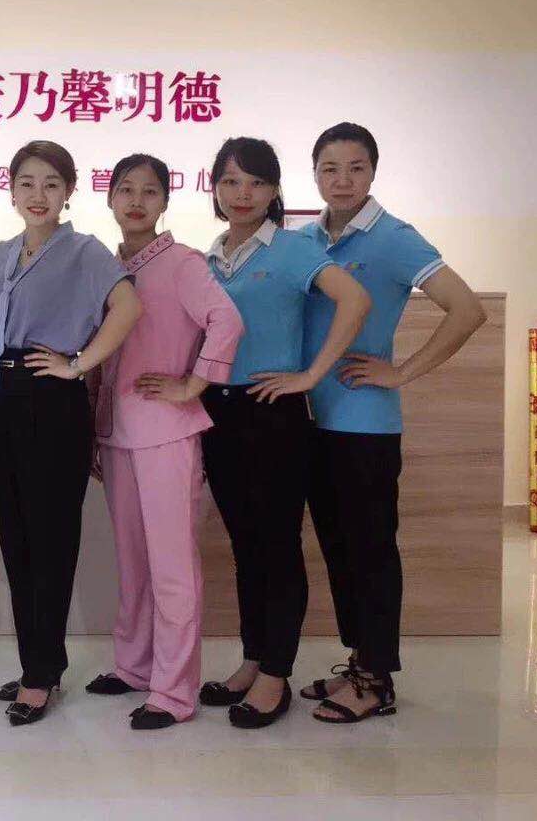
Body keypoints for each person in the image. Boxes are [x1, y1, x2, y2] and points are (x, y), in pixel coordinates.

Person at [298, 122, 486, 723]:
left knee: (371, 550)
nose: (342, 180)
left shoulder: (395, 238)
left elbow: (467, 310)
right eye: (330, 169)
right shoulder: (305, 238)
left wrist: (402, 371)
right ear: (315, 175)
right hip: (311, 420)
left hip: (365, 425)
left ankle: (377, 680)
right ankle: (360, 661)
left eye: (355, 167)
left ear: (373, 172)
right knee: (338, 548)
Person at [195, 137, 369, 729]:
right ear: (215, 188)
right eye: (230, 181)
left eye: (256, 182)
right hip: (218, 414)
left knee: (276, 545)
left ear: (273, 190)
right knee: (245, 546)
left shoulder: (293, 249)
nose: (243, 194)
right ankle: (253, 658)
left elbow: (355, 301)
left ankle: (277, 674)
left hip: (273, 415)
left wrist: (310, 375)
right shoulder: (210, 258)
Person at [0, 141, 141, 727]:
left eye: (51, 183)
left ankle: (41, 674)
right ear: (11, 190)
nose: (38, 194)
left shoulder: (86, 251)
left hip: (53, 401)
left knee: (50, 542)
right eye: (26, 182)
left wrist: (77, 364)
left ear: (69, 191)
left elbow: (128, 308)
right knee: (16, 541)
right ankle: (38, 664)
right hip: (2, 399)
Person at [85, 153, 244, 730]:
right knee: (132, 560)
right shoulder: (105, 266)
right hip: (115, 435)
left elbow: (227, 320)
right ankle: (134, 666)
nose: (136, 201)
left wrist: (192, 384)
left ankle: (174, 693)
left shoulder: (182, 263)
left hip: (167, 434)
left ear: (165, 201)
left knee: (172, 565)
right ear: (109, 197)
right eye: (125, 189)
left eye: (149, 191)